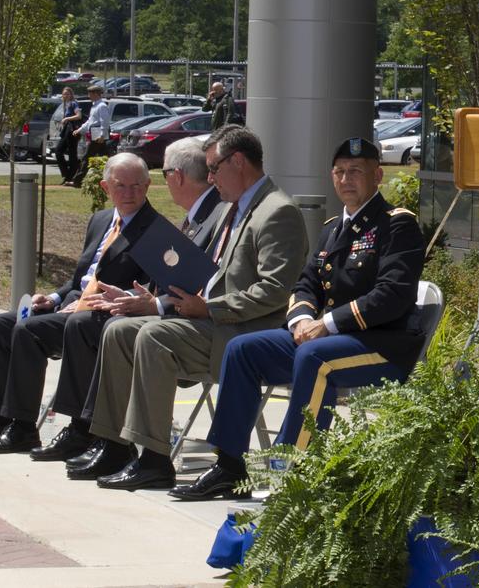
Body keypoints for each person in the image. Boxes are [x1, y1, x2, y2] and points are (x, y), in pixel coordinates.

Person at [169, 137, 425, 500]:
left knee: (314, 358)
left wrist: (326, 324)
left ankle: (291, 474)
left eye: (356, 171)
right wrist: (301, 321)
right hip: (326, 339)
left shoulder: (397, 225)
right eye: (339, 172)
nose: (346, 179)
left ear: (378, 175)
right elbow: (306, 285)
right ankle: (229, 467)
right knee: (243, 350)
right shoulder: (334, 227)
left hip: (384, 345)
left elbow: (391, 296)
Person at [79, 125, 308, 491]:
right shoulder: (236, 207)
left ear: (238, 162)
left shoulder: (277, 212)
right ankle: (115, 445)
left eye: (214, 168)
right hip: (208, 323)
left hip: (243, 333)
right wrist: (163, 300)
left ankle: (154, 460)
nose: (210, 178)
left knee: (155, 337)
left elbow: (275, 292)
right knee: (120, 330)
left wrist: (209, 309)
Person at [0, 154, 162, 454]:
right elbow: (82, 277)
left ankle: (27, 427)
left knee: (28, 331)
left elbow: (149, 291)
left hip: (104, 311)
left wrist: (99, 302)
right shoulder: (101, 219)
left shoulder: (155, 229)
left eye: (137, 186)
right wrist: (52, 297)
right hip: (71, 304)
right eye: (121, 186)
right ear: (105, 187)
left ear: (148, 186)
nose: (129, 193)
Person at [60, 138, 228, 473]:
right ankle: (112, 443)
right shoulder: (197, 217)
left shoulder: (215, 215)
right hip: (175, 316)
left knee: (117, 330)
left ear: (175, 177)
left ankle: (137, 450)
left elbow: (205, 286)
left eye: (161, 174)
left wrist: (153, 305)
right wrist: (145, 302)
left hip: (208, 328)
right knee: (115, 328)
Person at [72, 85, 111, 187]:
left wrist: (102, 135)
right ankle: (109, 178)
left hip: (98, 135)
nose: (88, 95)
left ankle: (77, 181)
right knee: (105, 158)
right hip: (95, 133)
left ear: (95, 94)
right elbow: (90, 122)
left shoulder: (101, 106)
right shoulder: (95, 106)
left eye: (90, 93)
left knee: (87, 157)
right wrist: (80, 130)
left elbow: (104, 121)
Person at [56, 86, 83, 184]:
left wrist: (67, 119)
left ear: (71, 94)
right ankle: (67, 174)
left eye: (67, 94)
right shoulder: (65, 104)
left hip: (71, 131)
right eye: (64, 94)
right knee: (59, 151)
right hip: (66, 130)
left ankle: (70, 176)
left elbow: (79, 115)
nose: (65, 95)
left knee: (72, 154)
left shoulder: (73, 103)